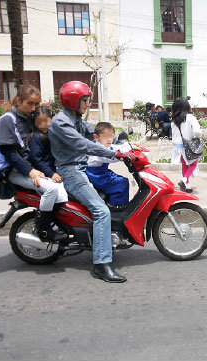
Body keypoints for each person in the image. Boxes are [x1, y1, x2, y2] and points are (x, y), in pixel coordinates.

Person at [48, 81, 126, 283]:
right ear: (73, 100)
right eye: (84, 100)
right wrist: (112, 152)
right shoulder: (61, 123)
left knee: (105, 202)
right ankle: (101, 264)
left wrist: (123, 145)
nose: (87, 104)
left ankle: (101, 240)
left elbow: (94, 136)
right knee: (102, 211)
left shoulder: (76, 120)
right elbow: (83, 144)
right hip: (71, 172)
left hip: (81, 170)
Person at [0, 84, 67, 242]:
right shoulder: (8, 119)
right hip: (15, 172)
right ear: (18, 100)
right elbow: (9, 153)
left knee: (62, 191)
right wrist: (30, 171)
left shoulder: (28, 118)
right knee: (51, 189)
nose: (33, 108)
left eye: (36, 104)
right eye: (29, 103)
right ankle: (43, 227)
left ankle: (56, 224)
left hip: (31, 169)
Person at [27, 106, 69, 240]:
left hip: (54, 170)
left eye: (46, 121)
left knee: (63, 197)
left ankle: (53, 221)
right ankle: (43, 225)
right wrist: (51, 174)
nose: (43, 125)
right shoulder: (36, 137)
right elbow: (36, 159)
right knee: (55, 192)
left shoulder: (51, 133)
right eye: (39, 122)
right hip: (44, 173)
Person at [86, 122, 130, 210]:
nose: (109, 140)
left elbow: (114, 147)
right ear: (96, 137)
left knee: (119, 178)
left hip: (101, 173)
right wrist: (124, 154)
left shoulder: (103, 145)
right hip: (96, 176)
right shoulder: (97, 149)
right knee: (122, 182)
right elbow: (111, 156)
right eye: (106, 137)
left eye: (111, 137)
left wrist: (131, 145)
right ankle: (114, 205)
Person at [171, 98, 201, 193]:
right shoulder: (190, 117)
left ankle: (186, 186)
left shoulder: (174, 119)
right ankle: (184, 180)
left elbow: (174, 134)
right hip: (189, 145)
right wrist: (197, 136)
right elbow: (197, 132)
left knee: (185, 165)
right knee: (193, 163)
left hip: (178, 146)